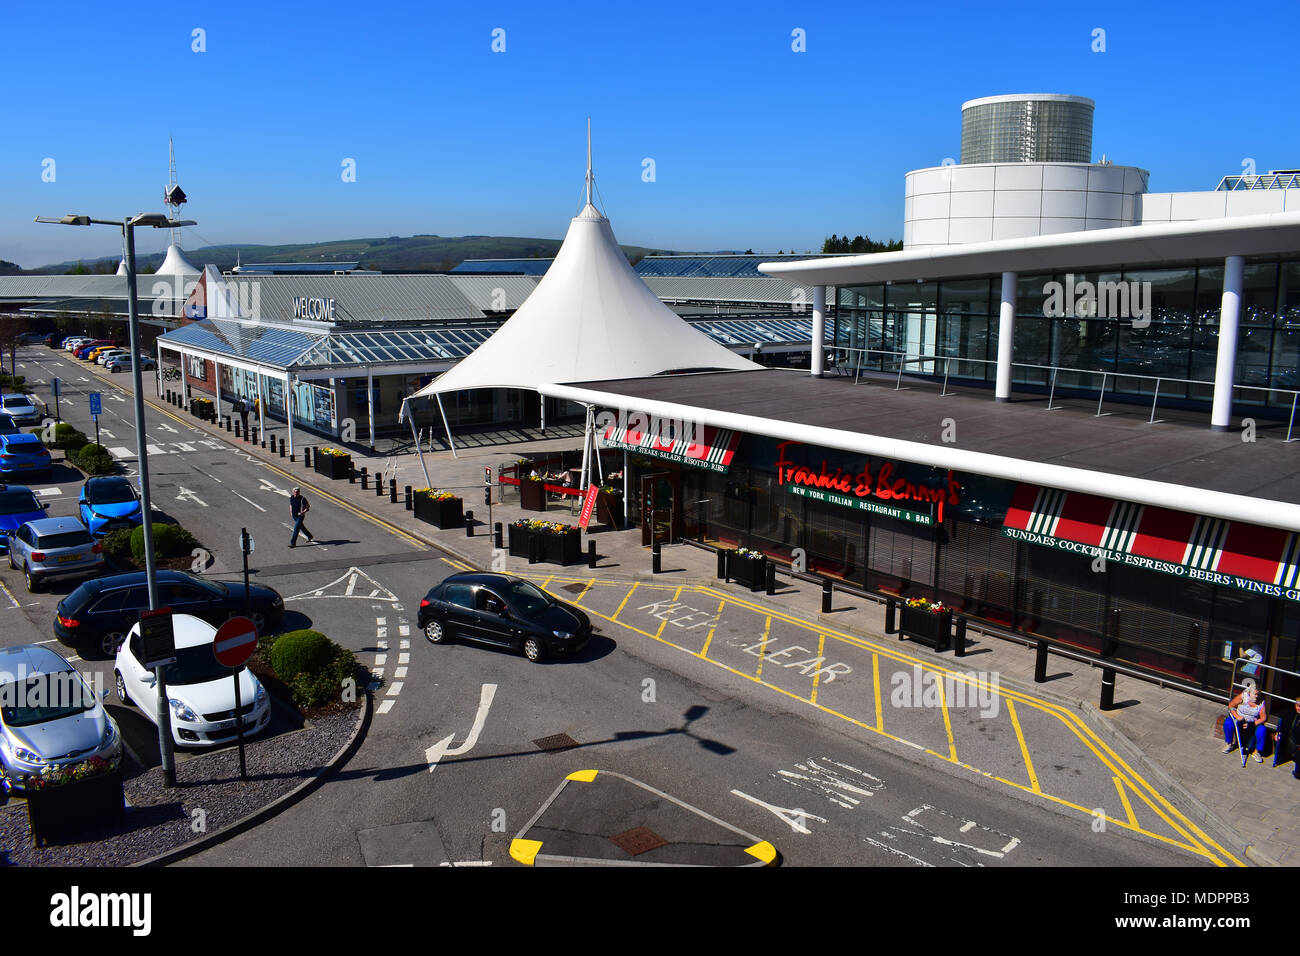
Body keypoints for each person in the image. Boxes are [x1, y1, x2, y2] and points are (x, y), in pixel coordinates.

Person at [1222, 684, 1269, 762]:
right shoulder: (1243, 696)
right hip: (1239, 720)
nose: (1257, 696)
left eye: (1258, 694)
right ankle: (1229, 744)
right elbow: (1231, 705)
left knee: (1262, 730)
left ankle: (1256, 752)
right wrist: (1237, 716)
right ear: (1249, 693)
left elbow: (1263, 718)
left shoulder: (1261, 702)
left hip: (1252, 723)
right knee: (1228, 723)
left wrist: (1252, 724)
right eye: (1255, 694)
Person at [1274, 697, 1300, 779]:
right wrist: (1278, 733)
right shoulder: (1291, 714)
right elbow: (1281, 725)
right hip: (1290, 743)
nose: (1299, 708)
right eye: (1298, 705)